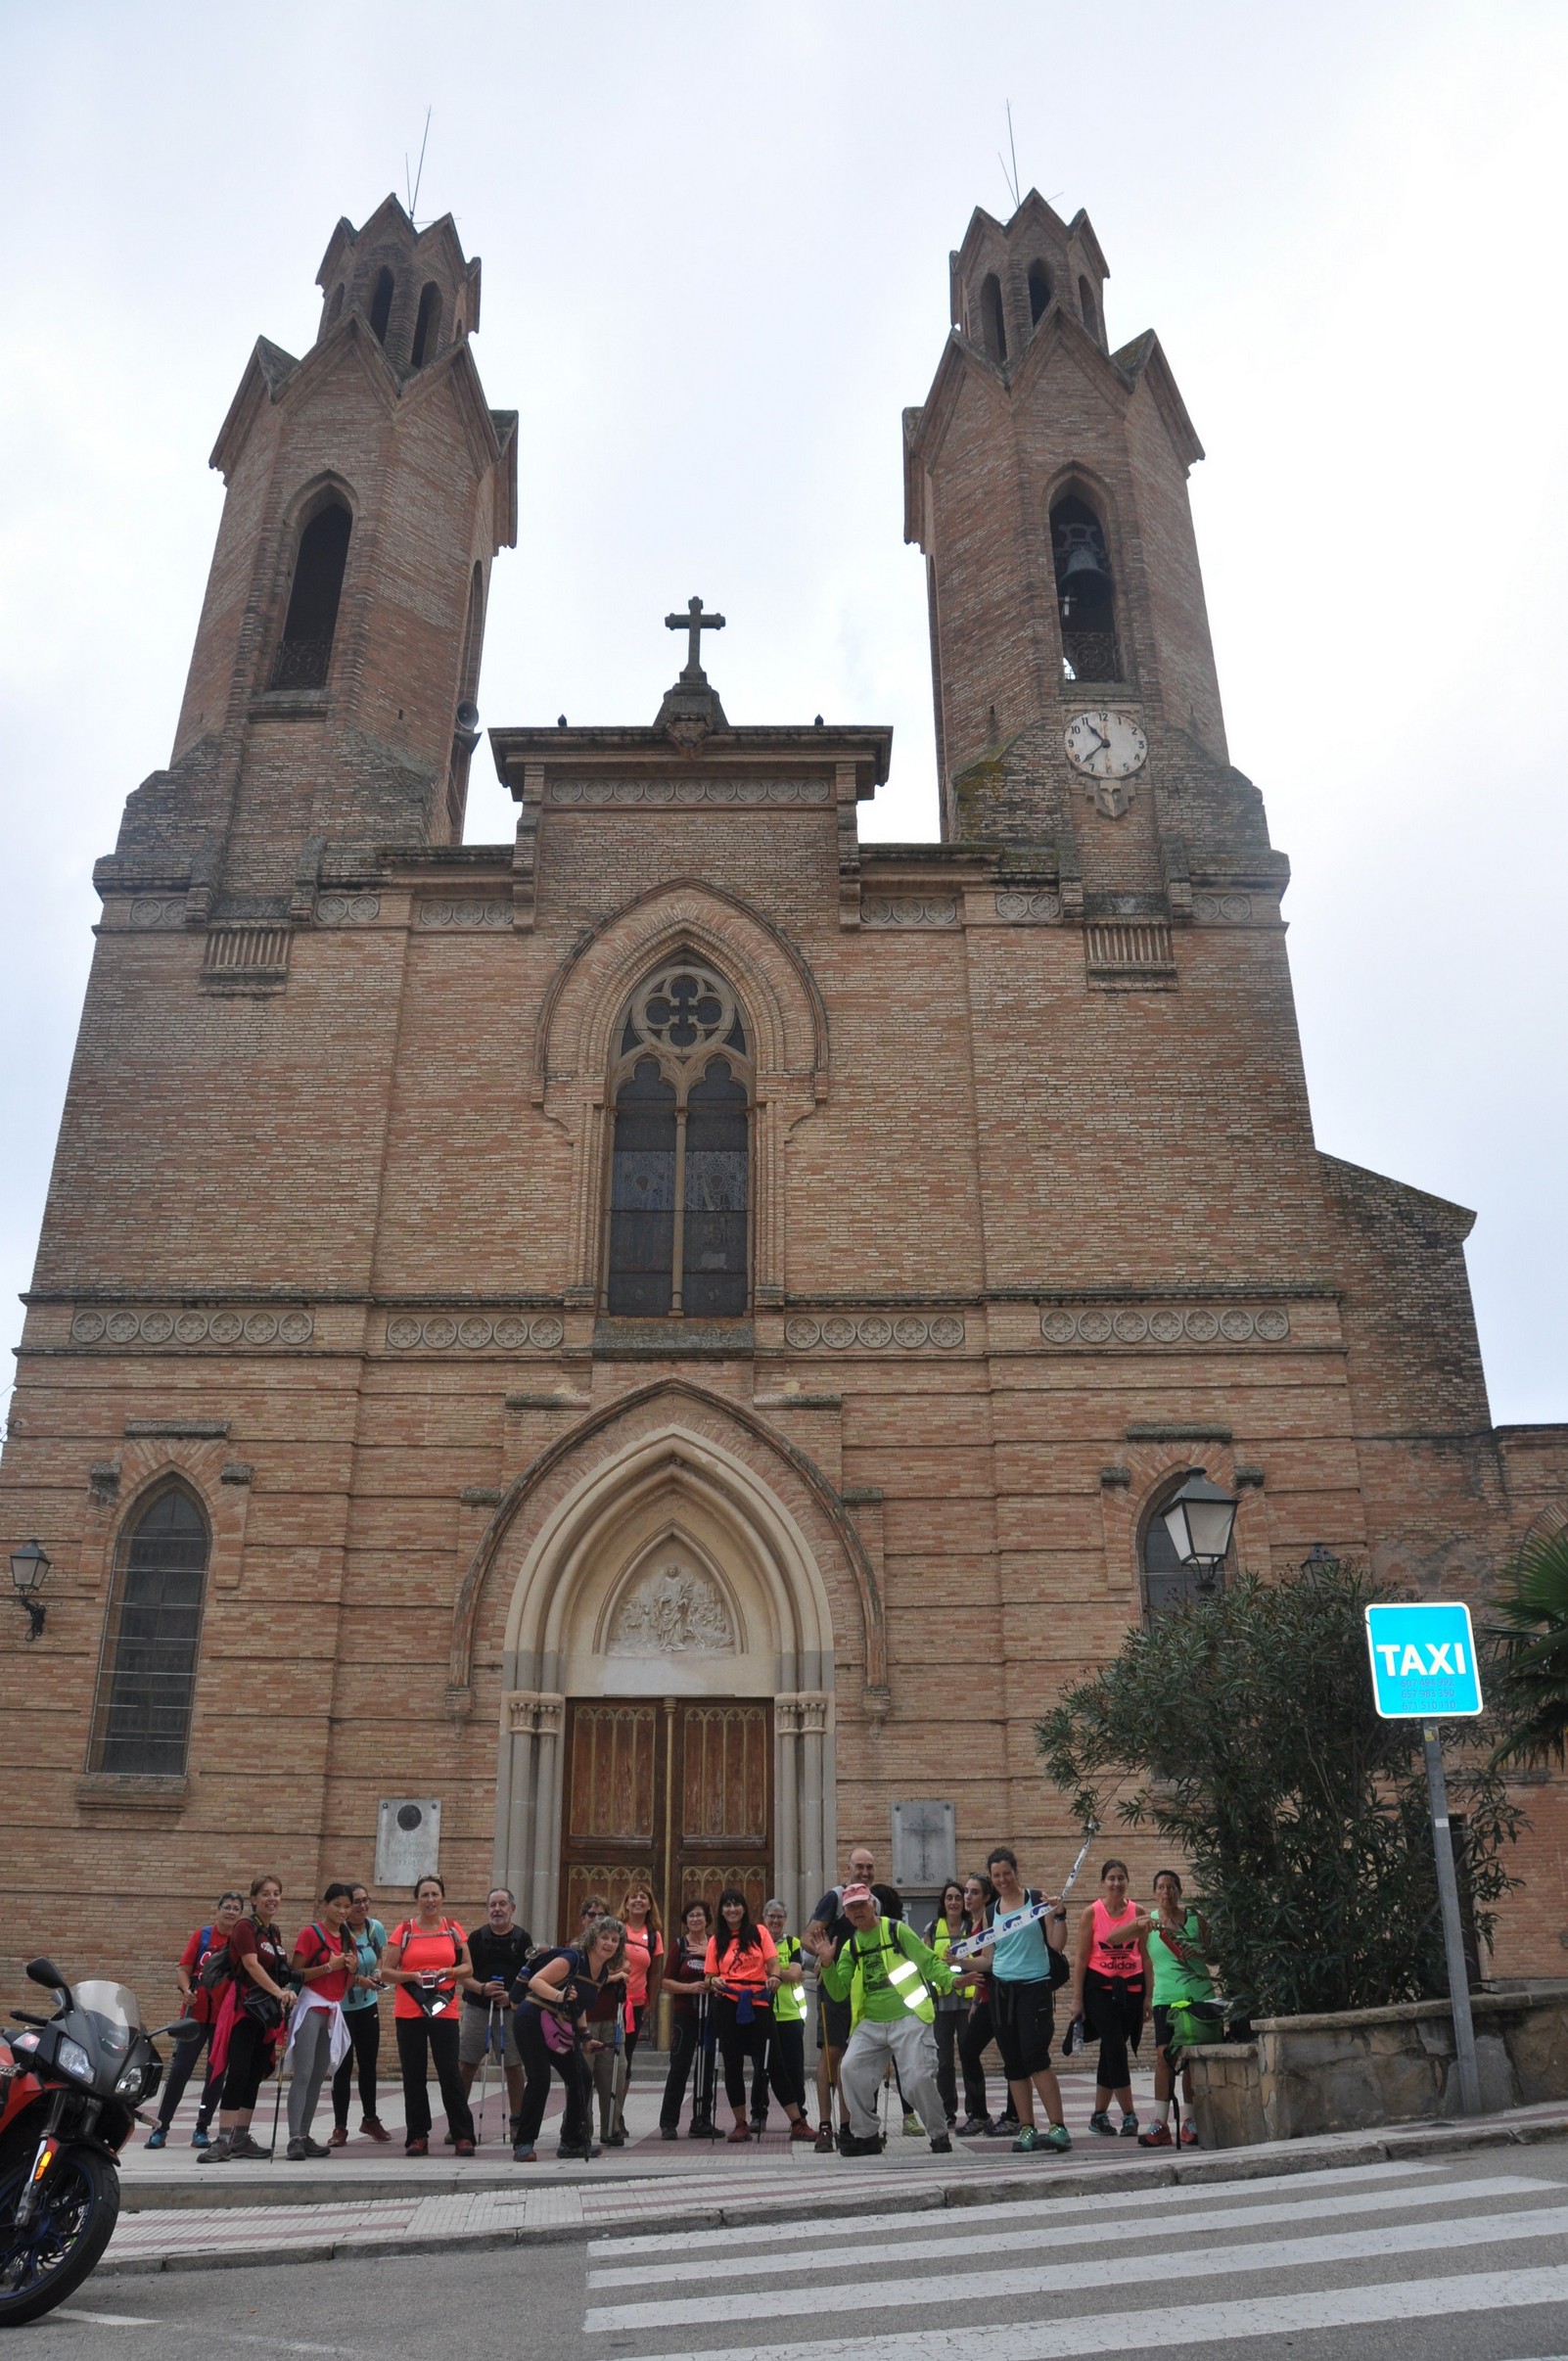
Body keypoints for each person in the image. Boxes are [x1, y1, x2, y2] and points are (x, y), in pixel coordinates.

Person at [805, 1882, 963, 2154]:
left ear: (872, 1905)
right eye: (851, 1907)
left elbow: (928, 1962)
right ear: (846, 1914)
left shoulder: (896, 1930)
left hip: (909, 2016)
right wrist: (828, 1963)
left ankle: (938, 2134)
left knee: (917, 2079)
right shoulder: (851, 1946)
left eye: (861, 1904)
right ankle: (866, 2135)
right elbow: (839, 1991)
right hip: (871, 2022)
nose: (857, 1911)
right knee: (849, 2069)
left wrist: (952, 1980)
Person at [972, 1846, 1071, 2155]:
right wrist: (958, 1961)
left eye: (1006, 1873)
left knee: (1035, 2057)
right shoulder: (990, 1912)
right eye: (996, 1875)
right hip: (1002, 1993)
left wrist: (1060, 1915)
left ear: (1016, 1871)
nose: (1002, 1879)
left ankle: (1058, 2127)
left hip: (1034, 1990)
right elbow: (988, 1959)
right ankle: (1026, 2127)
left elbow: (1056, 1943)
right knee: (1013, 2063)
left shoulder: (1037, 1900)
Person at [807, 1844, 906, 2151]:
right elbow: (808, 1936)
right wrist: (825, 1958)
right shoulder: (835, 1898)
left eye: (869, 1867)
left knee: (860, 2058)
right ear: (847, 1869)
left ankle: (852, 2126)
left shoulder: (877, 1903)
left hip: (867, 1991)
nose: (864, 1872)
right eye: (859, 1867)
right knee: (833, 2054)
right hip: (836, 1988)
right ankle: (826, 2126)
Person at [511, 1914, 626, 2162]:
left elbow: (580, 2005)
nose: (609, 1943)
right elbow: (536, 1981)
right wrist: (559, 1996)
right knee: (540, 2078)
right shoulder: (572, 1959)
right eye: (604, 1937)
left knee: (581, 2077)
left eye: (614, 1939)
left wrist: (585, 2037)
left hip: (557, 2028)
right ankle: (523, 2143)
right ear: (593, 1939)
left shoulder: (602, 1973)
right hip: (531, 2019)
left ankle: (572, 2143)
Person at [200, 1875, 296, 2164]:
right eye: (265, 1893)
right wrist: (278, 1991)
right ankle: (222, 2140)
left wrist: (288, 1990)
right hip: (243, 2011)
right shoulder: (245, 1927)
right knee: (238, 2073)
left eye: (276, 1893)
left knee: (254, 2074)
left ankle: (240, 2137)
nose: (272, 1898)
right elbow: (251, 1965)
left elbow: (279, 1970)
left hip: (265, 2014)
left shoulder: (273, 1932)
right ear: (254, 1899)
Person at [705, 1888, 813, 2143]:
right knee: (732, 2064)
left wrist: (774, 1977)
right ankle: (740, 2124)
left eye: (737, 1904)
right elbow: (709, 1975)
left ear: (744, 1908)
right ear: (721, 1910)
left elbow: (773, 1964)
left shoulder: (759, 1933)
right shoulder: (716, 1941)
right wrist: (714, 1981)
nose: (732, 1909)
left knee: (774, 2062)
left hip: (758, 2002)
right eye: (727, 1905)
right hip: (729, 2003)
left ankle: (797, 2122)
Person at [383, 1874, 477, 2156]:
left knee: (450, 2073)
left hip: (444, 2009)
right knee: (414, 2074)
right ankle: (417, 2136)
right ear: (416, 1899)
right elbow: (386, 1972)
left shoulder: (453, 1929)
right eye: (424, 1895)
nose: (430, 1900)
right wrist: (413, 1976)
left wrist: (448, 1971)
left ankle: (463, 2135)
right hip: (409, 2010)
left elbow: (468, 1967)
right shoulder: (404, 1930)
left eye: (435, 1894)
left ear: (443, 1898)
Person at [145, 1889, 243, 2149]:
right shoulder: (203, 1936)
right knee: (179, 2071)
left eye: (236, 1909)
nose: (231, 1912)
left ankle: (201, 2129)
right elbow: (184, 1969)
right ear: (218, 1910)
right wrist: (186, 1990)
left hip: (223, 2020)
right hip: (194, 2018)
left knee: (215, 2075)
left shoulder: (239, 1942)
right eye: (227, 1907)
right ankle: (161, 2128)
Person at [1070, 1856, 1151, 2138]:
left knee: (1110, 2050)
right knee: (1116, 2048)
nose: (1116, 1883)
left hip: (1131, 1990)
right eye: (1111, 1878)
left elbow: (1146, 1957)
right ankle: (1129, 2115)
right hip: (1099, 1990)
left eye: (1121, 1878)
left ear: (1128, 1881)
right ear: (1103, 1882)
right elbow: (1081, 1958)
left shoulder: (1139, 1912)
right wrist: (1077, 1998)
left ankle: (1099, 2115)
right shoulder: (1091, 1913)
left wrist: (1148, 1996)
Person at [1139, 1869, 1216, 2149]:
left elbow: (1216, 1954)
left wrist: (1202, 1953)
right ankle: (1160, 2123)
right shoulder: (1149, 1923)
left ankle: (1190, 2120)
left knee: (1192, 2058)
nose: (1166, 1892)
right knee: (1164, 2056)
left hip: (1198, 1995)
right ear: (1154, 1893)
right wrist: (1147, 1997)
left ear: (1180, 1891)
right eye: (1161, 1887)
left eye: (1171, 1887)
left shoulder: (1195, 1919)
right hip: (1165, 1999)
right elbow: (1137, 1955)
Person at [284, 1882, 358, 2160]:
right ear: (324, 1905)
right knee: (303, 2073)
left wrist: (351, 1970)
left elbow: (346, 1985)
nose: (342, 1911)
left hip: (332, 2010)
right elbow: (296, 1973)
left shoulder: (348, 1938)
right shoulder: (311, 1933)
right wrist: (330, 1966)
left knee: (318, 2075)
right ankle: (294, 2138)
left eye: (347, 1906)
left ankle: (304, 2134)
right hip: (311, 2006)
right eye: (337, 1905)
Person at [459, 1886, 532, 2144]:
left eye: (502, 1904)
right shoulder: (476, 1938)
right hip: (477, 2008)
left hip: (510, 2011)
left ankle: (517, 2122)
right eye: (493, 1905)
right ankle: (459, 2122)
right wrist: (482, 1988)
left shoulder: (522, 1939)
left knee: (513, 2065)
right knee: (467, 2064)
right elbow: (463, 1975)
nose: (497, 1909)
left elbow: (530, 1977)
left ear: (512, 1908)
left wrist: (512, 1996)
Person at [596, 1882, 662, 2146]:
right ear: (625, 1902)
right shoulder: (615, 1929)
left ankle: (617, 2115)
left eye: (643, 1897)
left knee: (625, 2062)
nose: (638, 1900)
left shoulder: (654, 1936)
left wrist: (651, 2002)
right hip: (609, 2002)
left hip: (635, 2005)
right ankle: (595, 2117)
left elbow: (655, 1972)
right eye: (633, 1896)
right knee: (603, 2060)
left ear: (650, 1904)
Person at [331, 1881, 391, 2146]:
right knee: (342, 2068)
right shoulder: (338, 1933)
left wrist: (376, 1973)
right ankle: (340, 2127)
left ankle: (370, 2119)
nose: (363, 1906)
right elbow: (336, 1971)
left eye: (366, 1900)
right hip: (342, 2008)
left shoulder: (374, 1928)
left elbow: (379, 1957)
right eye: (357, 1902)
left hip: (368, 2006)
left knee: (368, 2064)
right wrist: (358, 1981)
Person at [658, 1898, 716, 2141]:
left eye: (699, 1915)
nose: (695, 1919)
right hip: (685, 2016)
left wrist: (709, 1955)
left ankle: (701, 2121)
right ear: (685, 1920)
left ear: (707, 1919)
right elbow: (665, 1981)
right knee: (679, 2067)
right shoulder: (679, 1945)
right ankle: (668, 2122)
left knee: (706, 2068)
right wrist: (690, 1988)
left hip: (709, 2015)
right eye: (691, 1915)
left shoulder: (715, 1944)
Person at [751, 1899, 807, 2130]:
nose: (775, 1921)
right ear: (764, 1918)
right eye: (771, 1916)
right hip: (761, 2014)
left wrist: (770, 1970)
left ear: (785, 1919)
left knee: (794, 2069)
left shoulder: (793, 1943)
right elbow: (752, 1973)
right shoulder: (754, 1944)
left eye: (779, 1917)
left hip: (790, 2015)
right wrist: (780, 1971)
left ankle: (799, 2115)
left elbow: (795, 1974)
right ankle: (758, 2114)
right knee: (760, 2069)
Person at [924, 1879, 974, 2131]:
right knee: (944, 2062)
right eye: (949, 1898)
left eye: (957, 1898)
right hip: (941, 2004)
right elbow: (924, 1961)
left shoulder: (973, 1927)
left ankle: (975, 2111)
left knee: (969, 2056)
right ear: (943, 1902)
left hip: (967, 2003)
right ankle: (947, 2111)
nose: (953, 1902)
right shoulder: (932, 1928)